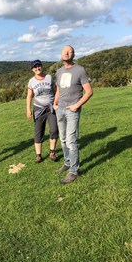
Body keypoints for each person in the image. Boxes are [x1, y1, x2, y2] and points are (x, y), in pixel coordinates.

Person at [54, 46, 93, 184]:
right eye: (64, 51)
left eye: (69, 51)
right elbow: (58, 89)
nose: (66, 53)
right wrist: (55, 103)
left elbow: (89, 91)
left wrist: (76, 105)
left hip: (72, 111)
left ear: (73, 54)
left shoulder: (80, 70)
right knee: (63, 139)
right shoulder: (58, 72)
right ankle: (67, 162)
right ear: (61, 54)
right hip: (60, 109)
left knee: (71, 141)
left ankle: (74, 172)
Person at [26, 59, 58, 163]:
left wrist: (57, 102)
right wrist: (28, 110)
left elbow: (56, 90)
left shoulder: (49, 77)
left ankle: (52, 152)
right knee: (38, 132)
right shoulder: (31, 81)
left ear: (41, 66)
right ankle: (38, 155)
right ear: (32, 69)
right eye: (35, 67)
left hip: (51, 108)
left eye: (39, 66)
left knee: (54, 130)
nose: (37, 68)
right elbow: (29, 96)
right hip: (38, 109)